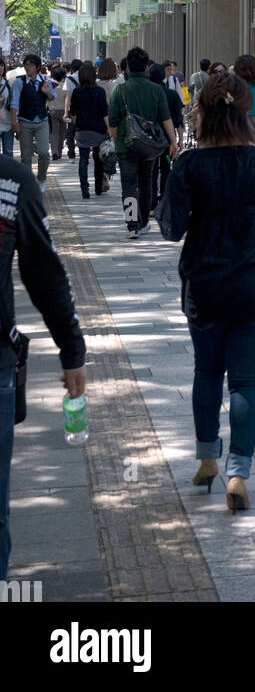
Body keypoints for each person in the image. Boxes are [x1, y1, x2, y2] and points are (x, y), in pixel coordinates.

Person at [157, 71, 255, 512]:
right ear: (246, 112)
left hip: (204, 284)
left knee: (206, 373)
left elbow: (170, 228)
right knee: (245, 381)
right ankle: (239, 473)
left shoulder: (190, 164)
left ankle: (206, 460)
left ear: (204, 111)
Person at [0, 151, 86, 579]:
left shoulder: (13, 180)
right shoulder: (10, 180)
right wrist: (72, 351)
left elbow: (43, 273)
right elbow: (43, 273)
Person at [107, 47, 177, 240]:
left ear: (128, 67)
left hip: (125, 145)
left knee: (129, 184)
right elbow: (166, 118)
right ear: (147, 67)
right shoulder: (157, 90)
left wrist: (116, 141)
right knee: (146, 183)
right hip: (149, 146)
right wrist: (173, 141)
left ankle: (132, 225)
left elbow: (113, 121)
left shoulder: (119, 90)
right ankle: (144, 221)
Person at [9, 55, 56, 192]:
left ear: (37, 67)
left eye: (30, 65)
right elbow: (14, 103)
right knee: (26, 155)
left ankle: (41, 179)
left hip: (42, 121)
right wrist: (14, 122)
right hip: (25, 121)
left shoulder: (45, 80)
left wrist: (47, 92)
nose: (27, 67)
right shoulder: (19, 82)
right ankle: (28, 181)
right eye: (26, 64)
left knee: (43, 152)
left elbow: (52, 97)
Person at [68, 61, 109, 199]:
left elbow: (72, 112)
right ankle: (98, 187)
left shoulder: (77, 92)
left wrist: (76, 123)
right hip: (98, 130)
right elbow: (104, 112)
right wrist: (109, 128)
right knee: (98, 160)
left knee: (83, 159)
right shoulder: (100, 92)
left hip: (82, 129)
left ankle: (84, 190)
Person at [149, 64, 184, 206]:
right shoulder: (172, 94)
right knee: (166, 169)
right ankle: (163, 199)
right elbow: (178, 119)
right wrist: (179, 140)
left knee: (151, 171)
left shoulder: (148, 95)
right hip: (168, 139)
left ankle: (151, 204)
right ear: (164, 76)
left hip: (149, 138)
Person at [95, 59, 122, 193]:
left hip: (97, 122)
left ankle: (100, 178)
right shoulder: (115, 86)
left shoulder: (95, 84)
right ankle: (105, 176)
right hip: (111, 121)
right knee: (109, 150)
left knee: (98, 151)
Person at [62, 59, 83, 161]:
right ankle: (84, 151)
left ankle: (71, 154)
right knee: (84, 130)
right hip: (85, 109)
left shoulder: (69, 79)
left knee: (71, 132)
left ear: (72, 68)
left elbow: (67, 97)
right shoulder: (86, 77)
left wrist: (66, 112)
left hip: (72, 109)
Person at [46, 63, 67, 161]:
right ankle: (59, 150)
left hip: (52, 110)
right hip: (64, 111)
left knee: (54, 132)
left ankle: (54, 152)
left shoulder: (51, 85)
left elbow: (47, 99)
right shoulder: (66, 87)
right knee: (62, 132)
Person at [0, 62, 13, 158]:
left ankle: (7, 173)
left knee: (8, 154)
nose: (0, 68)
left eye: (1, 65)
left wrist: (15, 121)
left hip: (7, 124)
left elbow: (14, 104)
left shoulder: (9, 85)